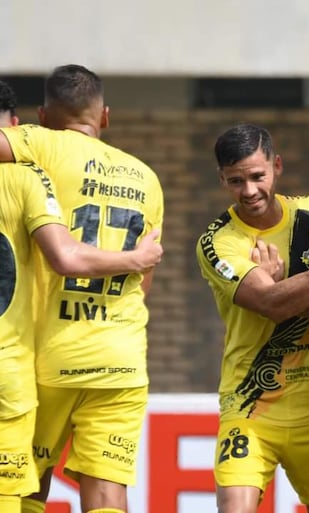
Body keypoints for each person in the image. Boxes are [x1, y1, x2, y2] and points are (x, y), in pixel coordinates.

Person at [0, 65, 165, 513]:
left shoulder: (43, 145)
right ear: (105, 116)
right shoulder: (145, 176)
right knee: (108, 492)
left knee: (27, 485)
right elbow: (143, 279)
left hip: (50, 353)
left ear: (42, 115)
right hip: (122, 355)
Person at [195, 124, 309, 513]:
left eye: (257, 176)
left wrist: (289, 284)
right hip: (249, 408)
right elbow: (271, 304)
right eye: (236, 181)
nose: (249, 191)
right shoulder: (218, 242)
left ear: (276, 167)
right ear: (222, 180)